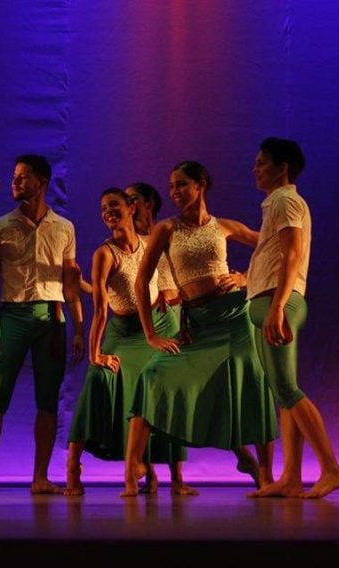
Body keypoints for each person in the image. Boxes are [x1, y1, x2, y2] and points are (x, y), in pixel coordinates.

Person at [123, 161, 278, 497]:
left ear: (201, 184)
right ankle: (133, 466)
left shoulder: (224, 226)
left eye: (182, 184)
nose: (175, 192)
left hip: (235, 316)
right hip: (199, 321)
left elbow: (275, 248)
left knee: (252, 383)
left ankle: (266, 475)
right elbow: (141, 281)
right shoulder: (167, 228)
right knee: (154, 376)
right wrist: (151, 334)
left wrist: (247, 278)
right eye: (172, 186)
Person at [65, 188, 195, 496]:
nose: (108, 211)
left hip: (151, 325)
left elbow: (167, 282)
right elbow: (100, 309)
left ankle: (170, 475)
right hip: (122, 332)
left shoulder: (150, 245)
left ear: (131, 208)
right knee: (100, 379)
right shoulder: (104, 253)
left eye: (114, 205)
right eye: (103, 208)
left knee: (161, 385)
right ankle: (72, 465)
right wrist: (94, 355)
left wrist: (168, 295)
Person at [0, 154, 84, 496]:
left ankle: (40, 476)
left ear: (41, 182)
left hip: (51, 317)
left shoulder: (64, 227)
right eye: (15, 177)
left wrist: (78, 328)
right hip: (13, 315)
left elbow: (69, 282)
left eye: (22, 177)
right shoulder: (0, 226)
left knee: (47, 399)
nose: (15, 183)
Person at [246, 137, 339, 499]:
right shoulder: (275, 203)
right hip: (267, 300)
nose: (255, 168)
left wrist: (276, 305)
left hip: (280, 303)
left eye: (262, 162)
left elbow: (293, 255)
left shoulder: (287, 200)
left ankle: (332, 468)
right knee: (282, 392)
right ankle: (291, 476)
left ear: (282, 167)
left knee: (288, 389)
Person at [123, 183, 196, 495]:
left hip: (175, 315)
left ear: (150, 203)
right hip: (147, 321)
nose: (130, 205)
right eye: (126, 201)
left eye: (134, 199)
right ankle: (146, 471)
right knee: (147, 396)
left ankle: (177, 477)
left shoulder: (169, 232)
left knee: (174, 399)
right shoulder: (130, 241)